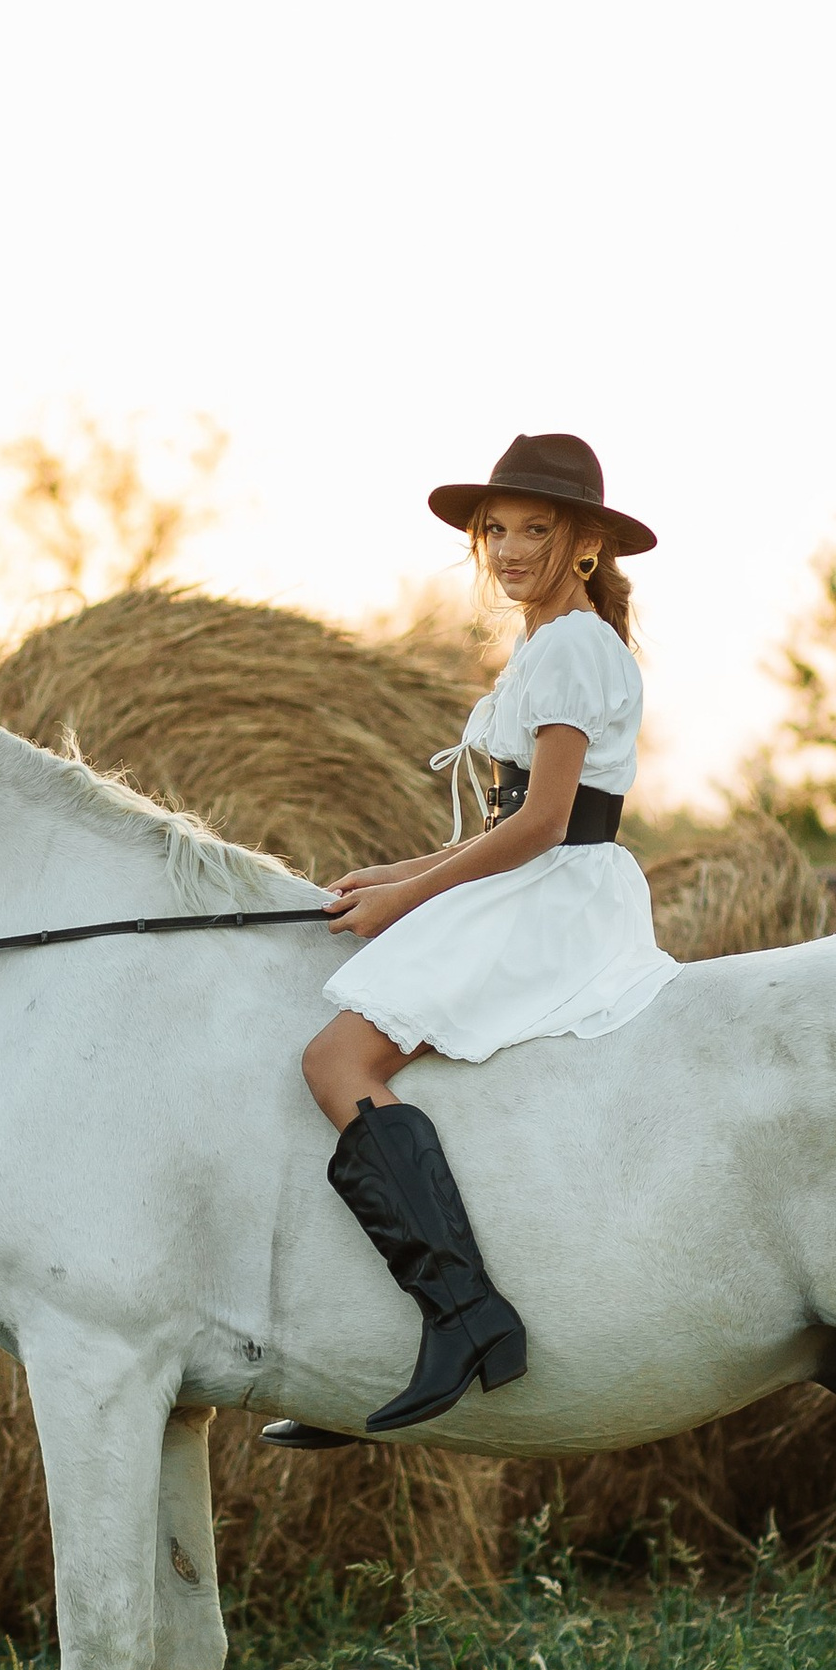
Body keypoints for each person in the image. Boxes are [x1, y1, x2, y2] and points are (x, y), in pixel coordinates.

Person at [269, 432, 676, 1448]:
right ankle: (371, 1328)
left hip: (554, 894)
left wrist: (410, 905)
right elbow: (508, 824)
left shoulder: (575, 644)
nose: (506, 549)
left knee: (337, 1058)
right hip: (533, 877)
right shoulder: (546, 645)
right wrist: (397, 874)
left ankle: (462, 1315)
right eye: (495, 530)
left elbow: (541, 823)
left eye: (534, 530)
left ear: (584, 544)